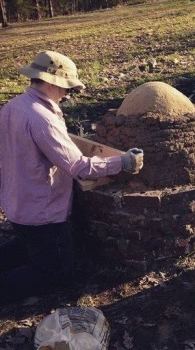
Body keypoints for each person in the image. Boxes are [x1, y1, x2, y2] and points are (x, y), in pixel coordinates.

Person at [0, 50, 144, 303]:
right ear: (52, 82)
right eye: (66, 88)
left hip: (17, 203)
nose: (67, 94)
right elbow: (80, 167)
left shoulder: (14, 105)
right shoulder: (41, 118)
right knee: (56, 272)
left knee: (27, 246)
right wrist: (123, 161)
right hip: (42, 212)